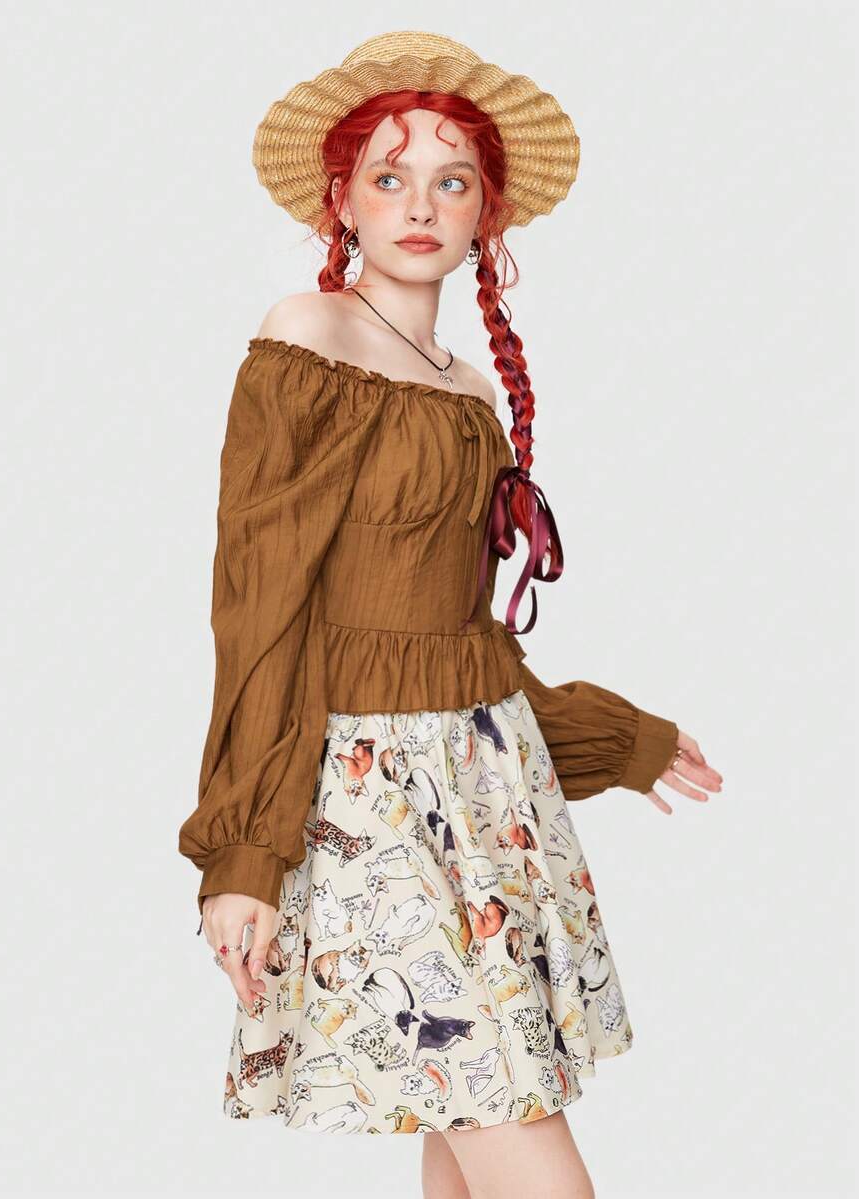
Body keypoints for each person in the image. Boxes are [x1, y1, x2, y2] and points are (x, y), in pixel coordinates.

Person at [177, 30, 722, 1198]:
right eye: (390, 176)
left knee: (468, 1139)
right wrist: (242, 852)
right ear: (343, 201)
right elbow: (259, 610)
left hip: (483, 796)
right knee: (527, 1152)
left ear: (488, 211)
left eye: (451, 179)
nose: (420, 204)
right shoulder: (305, 337)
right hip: (366, 802)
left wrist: (615, 736)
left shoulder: (471, 390)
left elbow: (466, 640)